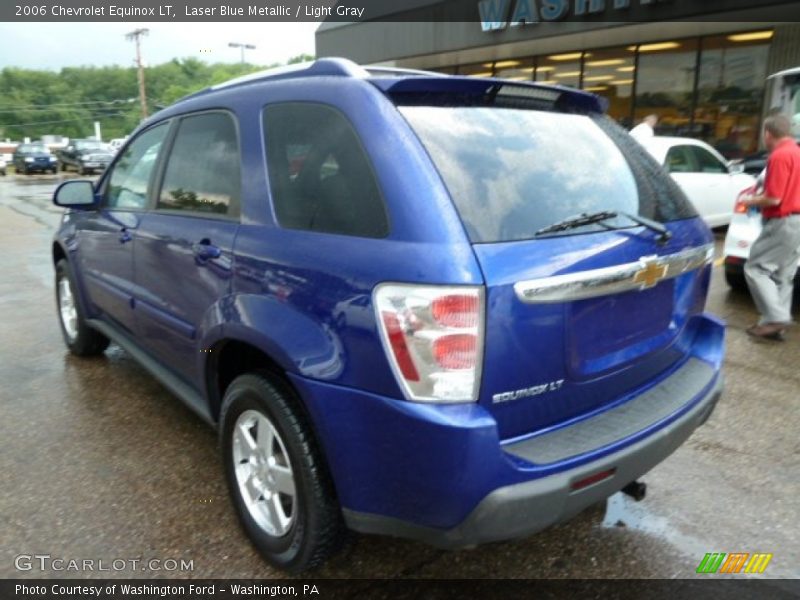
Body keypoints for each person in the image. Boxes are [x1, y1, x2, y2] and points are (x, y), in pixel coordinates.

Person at [740, 114, 800, 341]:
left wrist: (750, 201)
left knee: (755, 268)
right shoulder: (797, 152)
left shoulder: (779, 156)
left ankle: (776, 318)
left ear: (768, 133)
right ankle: (775, 327)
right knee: (783, 274)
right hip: (797, 222)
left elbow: (774, 198)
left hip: (782, 221)